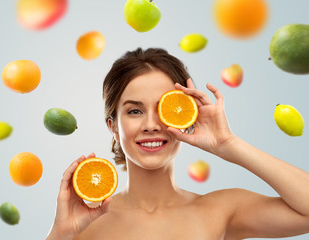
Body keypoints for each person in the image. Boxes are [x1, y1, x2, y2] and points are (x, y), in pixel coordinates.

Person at [46, 48, 309, 239]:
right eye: (134, 111)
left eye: (164, 109)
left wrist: (228, 143)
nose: (151, 124)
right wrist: (60, 233)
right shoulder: (83, 225)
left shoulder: (220, 210)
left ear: (186, 115)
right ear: (113, 126)